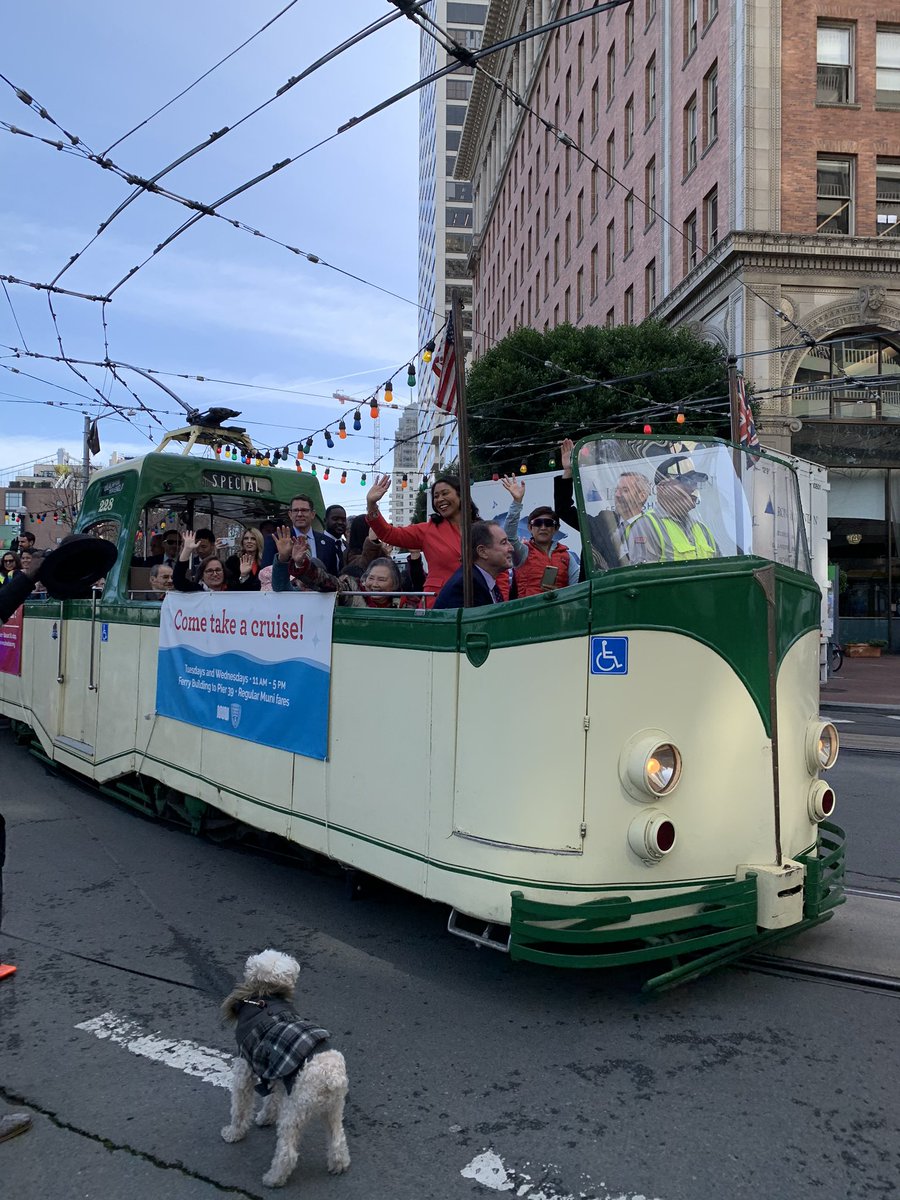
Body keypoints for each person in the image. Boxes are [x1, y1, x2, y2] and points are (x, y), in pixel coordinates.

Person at [366, 474, 479, 608]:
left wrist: (501, 601)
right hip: (438, 603)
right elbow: (389, 534)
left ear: (461, 495)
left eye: (445, 493)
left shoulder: (483, 529)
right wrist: (371, 504)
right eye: (436, 496)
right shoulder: (428, 530)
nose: (440, 499)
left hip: (477, 601)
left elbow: (499, 569)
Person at [554, 438, 651, 571]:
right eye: (616, 490)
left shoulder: (654, 526)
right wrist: (568, 471)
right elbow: (563, 509)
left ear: (642, 496)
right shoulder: (602, 522)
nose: (617, 495)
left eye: (625, 490)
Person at [626, 456, 718, 564]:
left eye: (695, 482)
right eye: (686, 482)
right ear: (663, 488)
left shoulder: (703, 529)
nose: (693, 488)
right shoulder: (645, 526)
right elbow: (644, 577)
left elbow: (719, 570)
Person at [500, 478, 572, 598]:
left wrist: (559, 594)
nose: (543, 527)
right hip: (529, 613)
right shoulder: (523, 552)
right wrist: (517, 502)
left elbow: (577, 588)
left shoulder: (567, 556)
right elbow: (510, 536)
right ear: (530, 528)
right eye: (538, 523)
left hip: (560, 612)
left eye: (548, 523)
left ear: (556, 528)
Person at [270, 526, 363, 606]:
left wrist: (302, 565)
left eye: (309, 575)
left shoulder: (333, 596)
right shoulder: (297, 593)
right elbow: (280, 588)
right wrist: (283, 558)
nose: (305, 580)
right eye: (302, 577)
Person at [433, 521, 513, 609]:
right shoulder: (467, 586)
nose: (511, 548)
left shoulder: (480, 580)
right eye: (504, 543)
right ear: (482, 552)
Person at [173, 532, 260, 592]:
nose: (215, 574)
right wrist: (187, 550)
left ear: (224, 572)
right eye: (209, 571)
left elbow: (248, 589)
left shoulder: (231, 590)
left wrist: (244, 575)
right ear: (202, 575)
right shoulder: (196, 590)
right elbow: (178, 581)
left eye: (218, 570)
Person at [287, 496, 334, 568]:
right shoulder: (278, 540)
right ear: (290, 514)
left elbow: (332, 575)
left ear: (313, 514)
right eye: (296, 510)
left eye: (304, 510)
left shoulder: (328, 543)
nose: (299, 514)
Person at [322, 505, 347, 573]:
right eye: (335, 519)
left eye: (343, 520)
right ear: (325, 521)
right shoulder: (317, 542)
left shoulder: (348, 546)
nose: (340, 522)